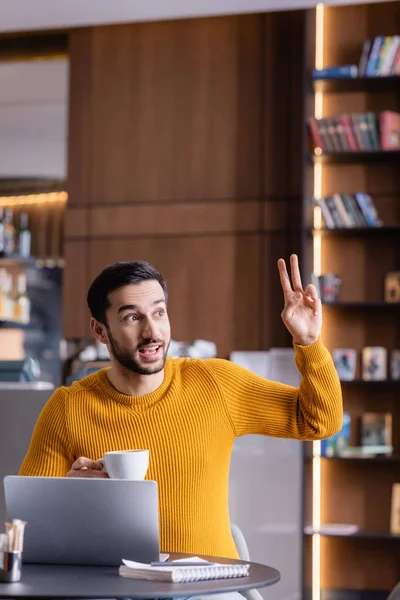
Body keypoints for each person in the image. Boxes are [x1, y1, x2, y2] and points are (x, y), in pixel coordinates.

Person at [20, 255, 342, 559]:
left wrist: (309, 343)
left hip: (210, 585)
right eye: (132, 317)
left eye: (159, 312)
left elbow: (319, 422)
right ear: (100, 331)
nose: (151, 332)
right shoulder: (67, 407)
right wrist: (66, 494)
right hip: (116, 586)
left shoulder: (215, 382)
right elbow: (25, 526)